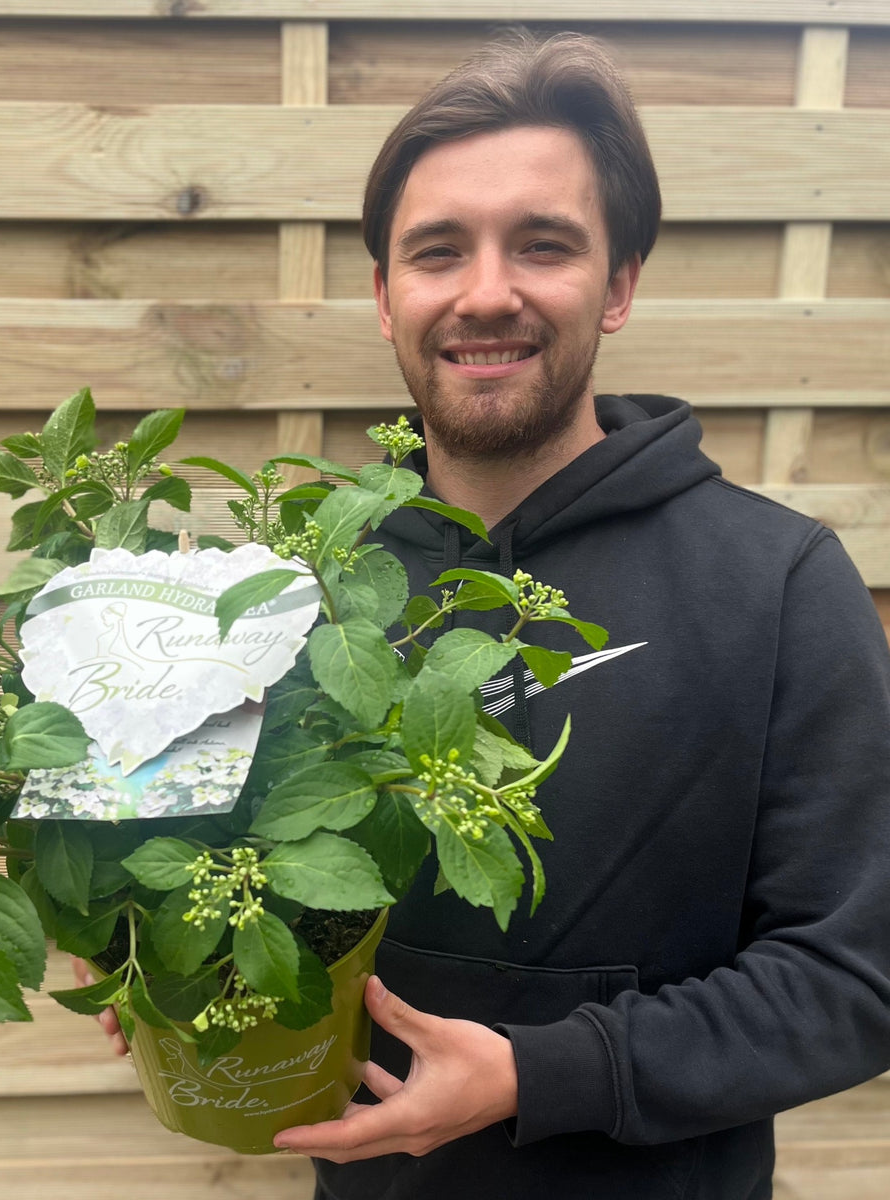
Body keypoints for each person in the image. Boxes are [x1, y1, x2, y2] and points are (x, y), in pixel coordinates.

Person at [94, 31, 890, 1199]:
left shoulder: (780, 582)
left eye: (543, 245)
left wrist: (545, 1073)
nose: (485, 293)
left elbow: (857, 976)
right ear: (382, 295)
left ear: (618, 284)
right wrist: (145, 941)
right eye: (437, 251)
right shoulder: (298, 587)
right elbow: (207, 853)